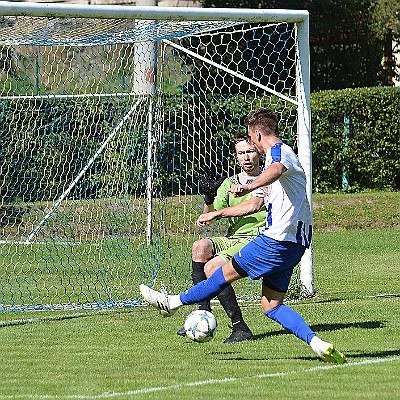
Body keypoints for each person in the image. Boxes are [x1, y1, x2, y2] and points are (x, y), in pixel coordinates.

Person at [140, 108, 346, 364]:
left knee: (220, 273)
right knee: (272, 307)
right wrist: (219, 212)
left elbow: (276, 171)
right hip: (294, 247)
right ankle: (317, 344)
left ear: (257, 134)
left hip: (275, 241)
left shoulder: (279, 154)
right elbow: (255, 203)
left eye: (251, 139)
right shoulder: (273, 162)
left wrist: (250, 184)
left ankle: (171, 303)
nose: (252, 146)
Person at [178, 134, 266, 343]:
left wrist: (218, 213)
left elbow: (250, 206)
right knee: (200, 246)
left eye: (250, 151)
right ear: (236, 157)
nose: (246, 157)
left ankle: (240, 327)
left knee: (214, 268)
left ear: (258, 153)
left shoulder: (268, 179)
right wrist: (208, 197)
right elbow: (209, 216)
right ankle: (202, 312)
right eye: (241, 153)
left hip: (258, 238)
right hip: (233, 238)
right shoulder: (229, 183)